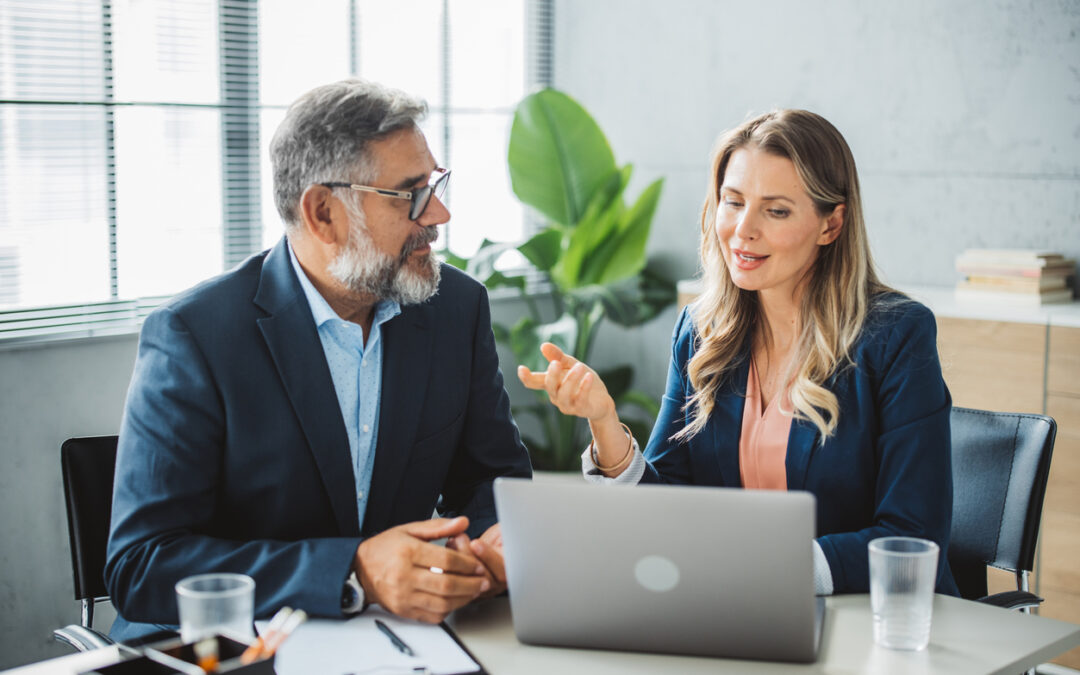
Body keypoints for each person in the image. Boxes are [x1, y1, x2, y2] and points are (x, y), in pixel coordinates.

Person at [105, 78, 532, 640]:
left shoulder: (455, 308)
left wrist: (482, 549)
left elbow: (494, 477)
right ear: (323, 213)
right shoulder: (194, 336)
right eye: (411, 195)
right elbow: (143, 564)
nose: (440, 215)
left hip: (403, 640)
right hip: (231, 649)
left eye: (435, 185)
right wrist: (352, 572)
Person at [518, 109, 958, 596]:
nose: (743, 230)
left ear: (831, 224)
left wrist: (759, 570)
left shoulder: (894, 335)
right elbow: (665, 508)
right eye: (733, 202)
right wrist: (603, 421)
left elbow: (913, 536)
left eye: (777, 211)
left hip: (867, 623)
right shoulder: (703, 332)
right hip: (736, 612)